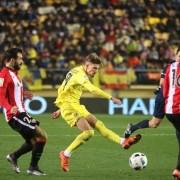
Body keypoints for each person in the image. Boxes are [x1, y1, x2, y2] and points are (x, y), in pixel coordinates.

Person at [52, 53, 141, 172]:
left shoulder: (76, 70)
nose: (96, 71)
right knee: (89, 133)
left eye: (97, 69)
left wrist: (59, 108)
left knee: (98, 124)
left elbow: (65, 89)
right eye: (94, 68)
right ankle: (66, 154)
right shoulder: (80, 75)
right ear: (87, 65)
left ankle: (123, 141)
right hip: (69, 107)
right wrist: (111, 98)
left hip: (73, 105)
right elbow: (93, 89)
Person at [0, 48, 47, 176]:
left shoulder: (15, 73)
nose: (22, 61)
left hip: (21, 112)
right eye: (20, 58)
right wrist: (10, 108)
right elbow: (1, 95)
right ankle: (33, 168)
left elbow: (14, 92)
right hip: (14, 115)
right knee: (41, 137)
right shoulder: (3, 74)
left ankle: (14, 157)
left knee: (34, 142)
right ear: (11, 59)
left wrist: (25, 94)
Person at [123, 48, 179, 138]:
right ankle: (132, 128)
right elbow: (162, 83)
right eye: (179, 56)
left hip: (175, 99)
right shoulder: (170, 66)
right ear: (176, 56)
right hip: (164, 97)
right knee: (154, 123)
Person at [163, 48, 180, 179]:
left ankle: (178, 169)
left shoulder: (170, 67)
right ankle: (178, 169)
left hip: (169, 110)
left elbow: (165, 89)